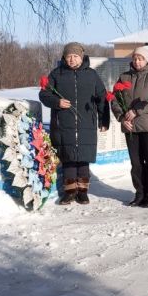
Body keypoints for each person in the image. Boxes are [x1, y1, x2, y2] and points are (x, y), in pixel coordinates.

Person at [39, 42, 110, 205]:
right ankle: (70, 192)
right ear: (64, 57)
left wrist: (104, 120)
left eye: (75, 56)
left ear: (82, 56)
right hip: (64, 123)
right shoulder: (57, 74)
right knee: (68, 158)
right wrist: (57, 102)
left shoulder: (91, 75)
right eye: (69, 56)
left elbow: (102, 98)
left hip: (87, 123)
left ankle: (83, 192)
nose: (72, 59)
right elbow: (44, 94)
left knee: (83, 158)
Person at [111, 46, 148, 208]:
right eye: (135, 58)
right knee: (136, 163)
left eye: (140, 58)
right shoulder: (124, 77)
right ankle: (139, 194)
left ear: (147, 59)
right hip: (131, 127)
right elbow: (115, 99)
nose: (137, 61)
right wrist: (122, 118)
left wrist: (137, 111)